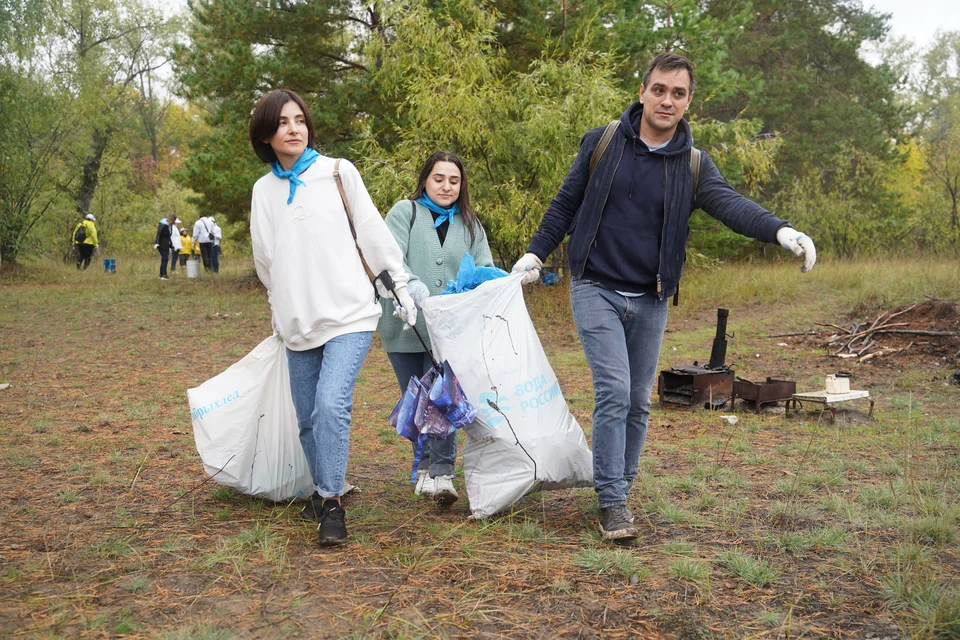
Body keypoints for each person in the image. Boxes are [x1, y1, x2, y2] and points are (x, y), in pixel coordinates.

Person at [512, 52, 817, 541]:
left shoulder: (693, 165)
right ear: (642, 92)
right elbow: (566, 202)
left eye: (678, 93)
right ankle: (612, 501)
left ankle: (621, 486)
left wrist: (780, 230)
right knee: (613, 392)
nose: (666, 100)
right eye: (659, 89)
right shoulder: (604, 142)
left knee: (638, 399)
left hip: (651, 298)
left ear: (688, 101)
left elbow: (731, 206)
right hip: (596, 286)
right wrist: (536, 253)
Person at [248, 88, 417, 546]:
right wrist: (278, 310)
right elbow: (266, 261)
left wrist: (398, 285)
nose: (294, 128)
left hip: (350, 314)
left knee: (330, 405)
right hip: (298, 323)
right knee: (307, 417)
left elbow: (372, 232)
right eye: (283, 122)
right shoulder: (263, 192)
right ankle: (326, 486)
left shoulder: (338, 173)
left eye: (299, 119)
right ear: (266, 133)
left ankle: (331, 503)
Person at [379, 151, 494, 504]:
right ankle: (425, 465)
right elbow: (389, 256)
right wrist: (411, 286)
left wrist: (485, 288)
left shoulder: (471, 224)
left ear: (462, 186)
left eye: (454, 180)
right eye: (439, 178)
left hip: (449, 332)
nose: (446, 186)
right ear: (425, 180)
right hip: (405, 327)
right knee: (415, 400)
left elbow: (484, 267)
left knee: (443, 398)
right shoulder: (405, 213)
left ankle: (443, 474)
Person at [154, 213, 176, 280]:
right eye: (173, 221)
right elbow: (159, 234)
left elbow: (168, 237)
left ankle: (161, 274)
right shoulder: (163, 224)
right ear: (171, 220)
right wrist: (156, 243)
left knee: (164, 259)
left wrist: (171, 245)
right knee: (165, 258)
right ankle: (164, 274)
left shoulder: (170, 226)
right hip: (161, 244)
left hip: (166, 245)